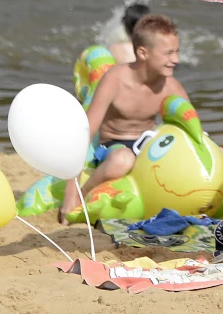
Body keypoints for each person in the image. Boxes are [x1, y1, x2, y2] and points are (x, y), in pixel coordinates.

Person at [60, 14, 195, 221]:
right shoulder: (115, 79)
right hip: (113, 147)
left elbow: (193, 132)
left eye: (177, 52)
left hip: (147, 147)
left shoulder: (170, 86)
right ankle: (84, 194)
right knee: (123, 160)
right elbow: (85, 132)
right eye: (168, 53)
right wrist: (70, 194)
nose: (176, 59)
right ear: (143, 53)